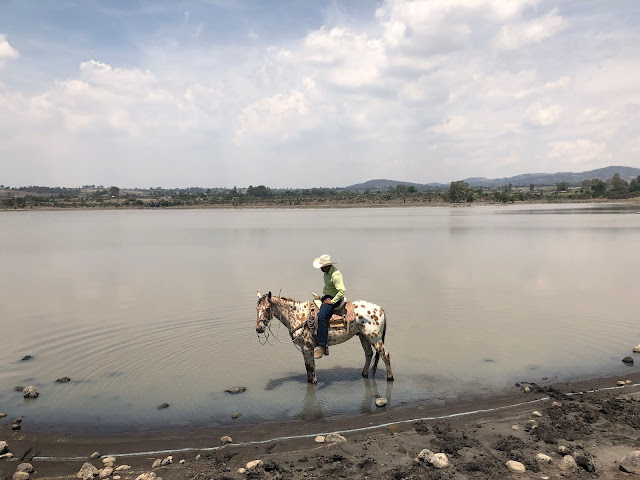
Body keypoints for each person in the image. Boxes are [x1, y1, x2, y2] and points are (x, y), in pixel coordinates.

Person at [312, 254, 346, 359]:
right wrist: (323, 297)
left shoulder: (335, 275)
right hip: (328, 295)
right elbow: (329, 288)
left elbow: (342, 291)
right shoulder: (326, 273)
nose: (321, 268)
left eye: (322, 266)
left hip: (335, 298)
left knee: (321, 316)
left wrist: (331, 301)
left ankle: (322, 346)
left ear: (328, 266)